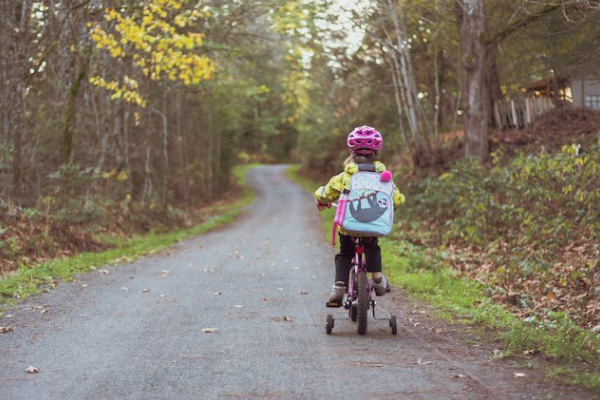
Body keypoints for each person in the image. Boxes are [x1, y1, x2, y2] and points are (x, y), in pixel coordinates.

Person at [314, 125, 405, 307]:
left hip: (348, 227)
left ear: (351, 151)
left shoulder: (346, 176)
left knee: (345, 253)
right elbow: (397, 199)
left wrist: (320, 197)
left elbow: (327, 193)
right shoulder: (383, 177)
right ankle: (378, 279)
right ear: (377, 152)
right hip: (372, 227)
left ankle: (338, 288)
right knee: (372, 247)